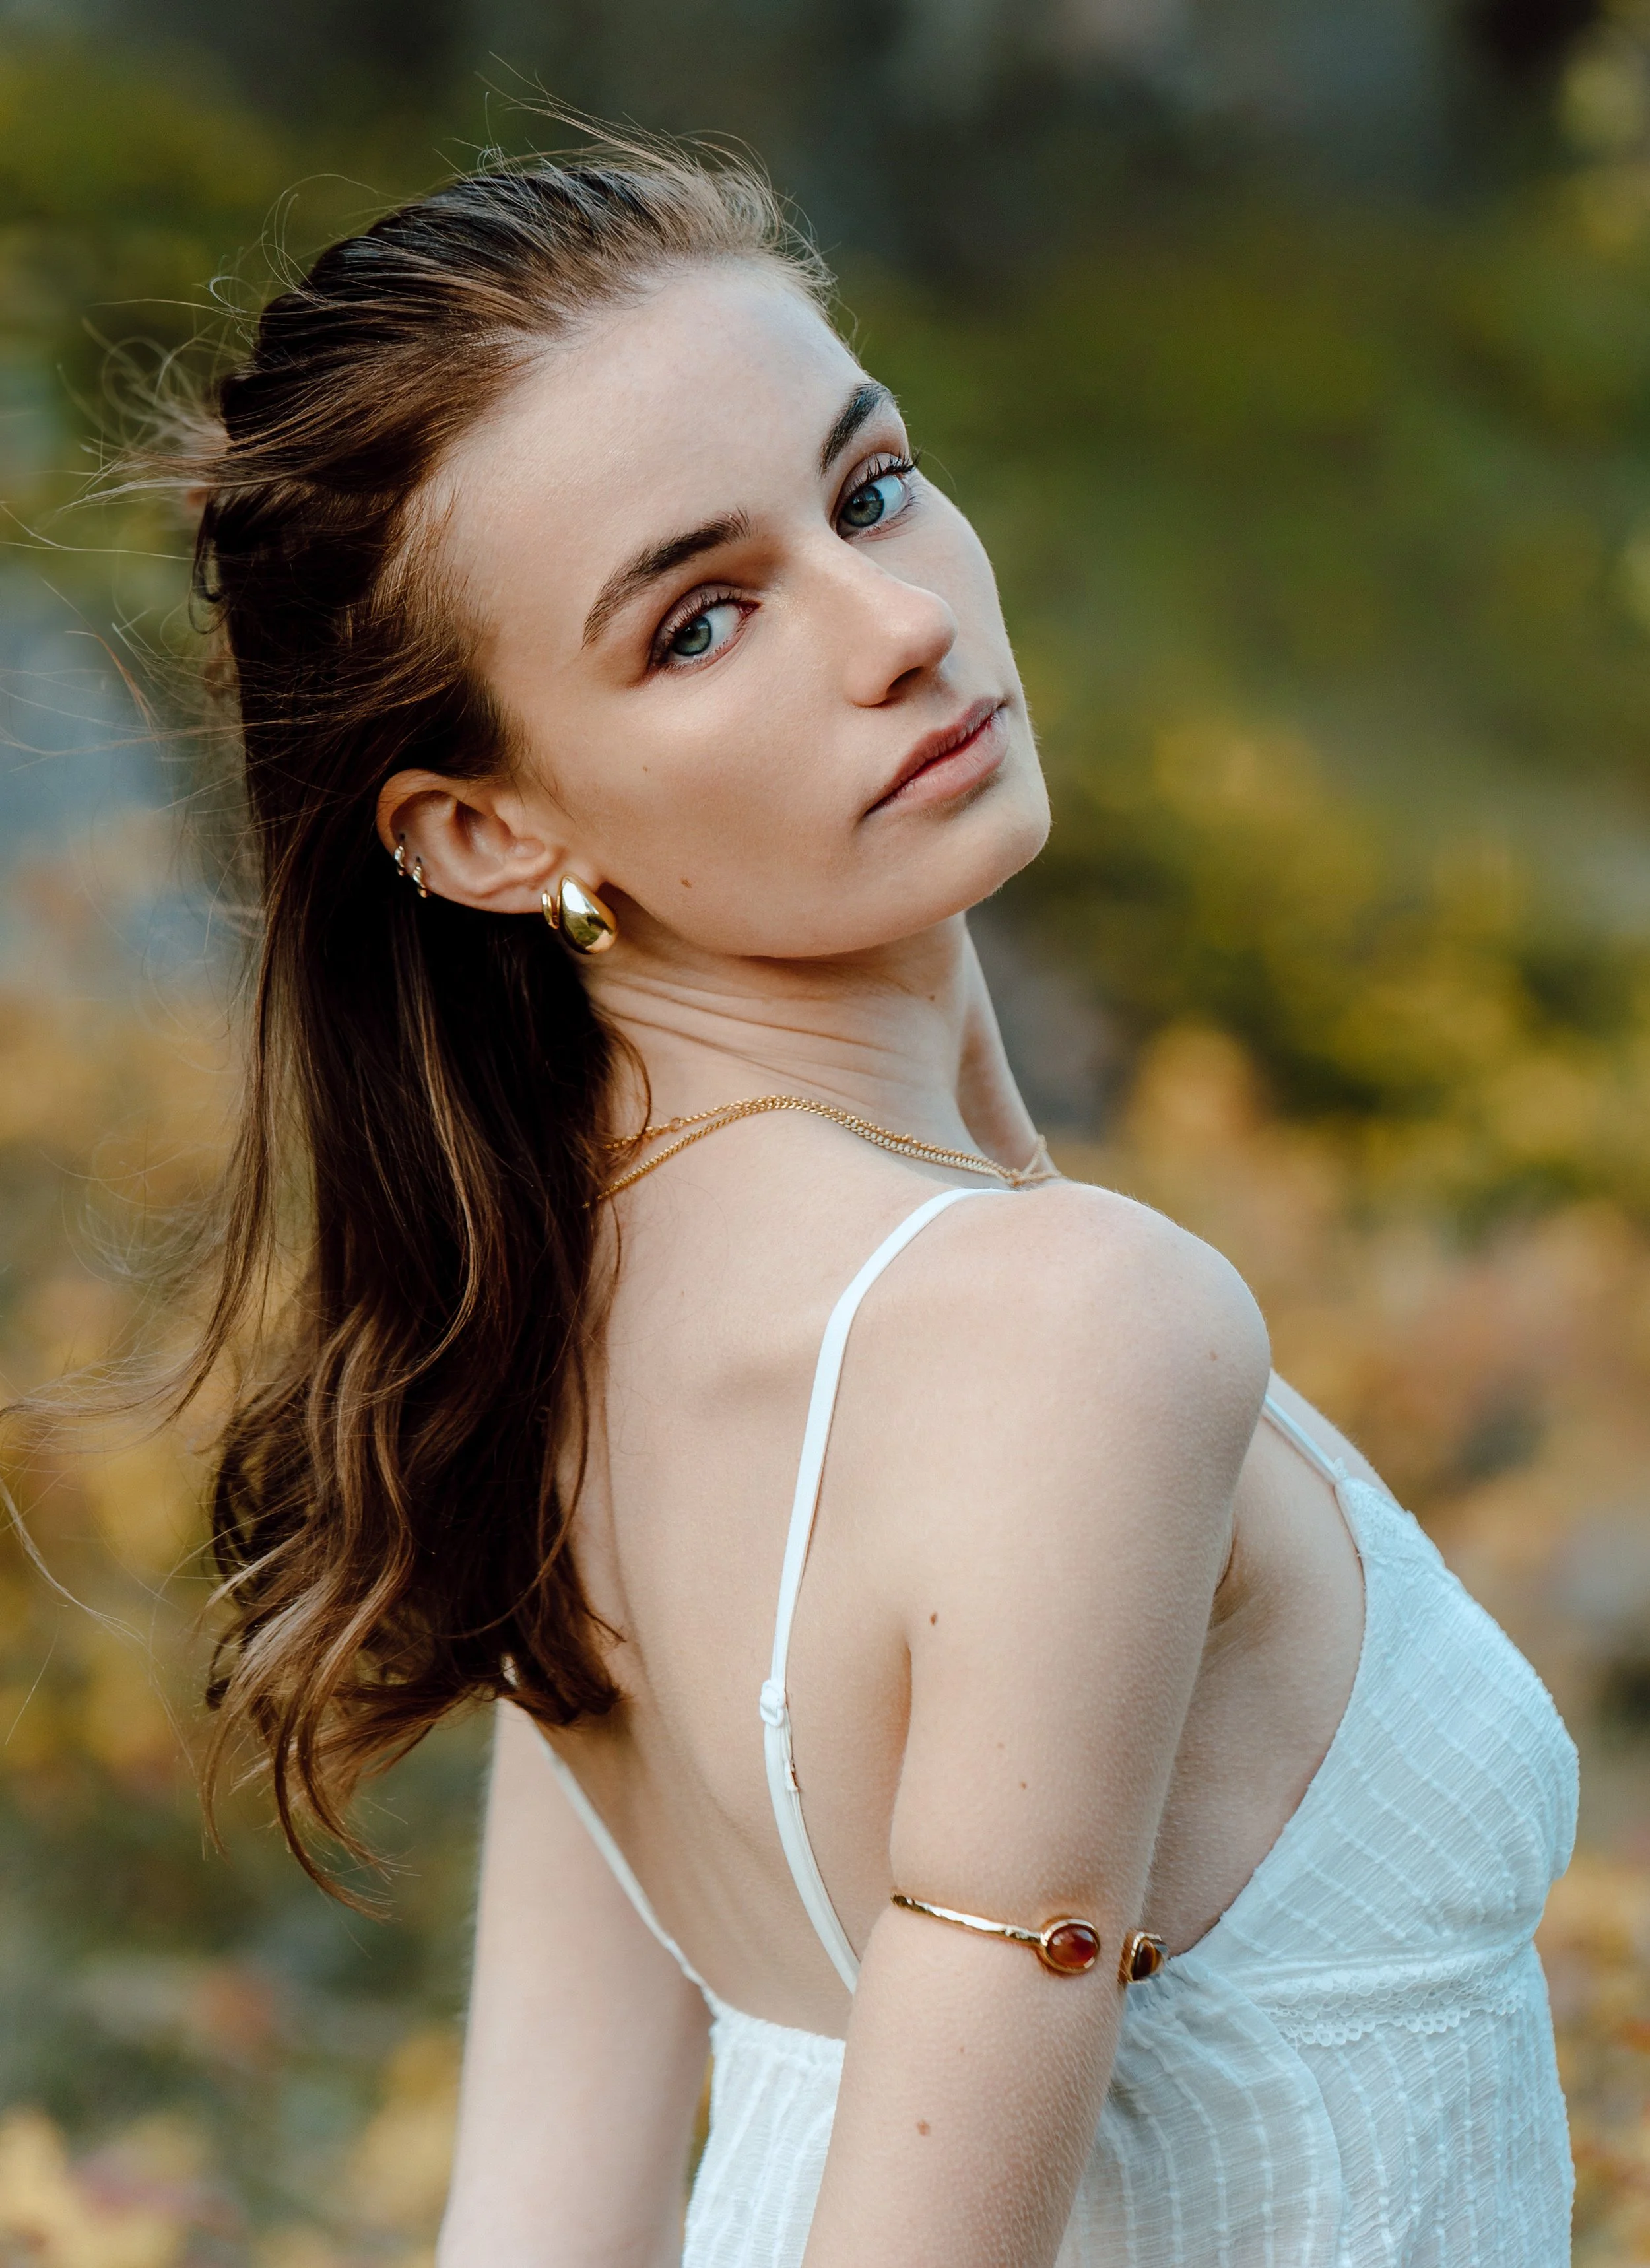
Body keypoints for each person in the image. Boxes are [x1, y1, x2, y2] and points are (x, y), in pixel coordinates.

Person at [160, 136, 1578, 2266]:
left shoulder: (540, 1337)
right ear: (476, 830)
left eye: (872, 490)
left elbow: (536, 2220)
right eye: (701, 620)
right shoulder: (1066, 1331)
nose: (901, 626)